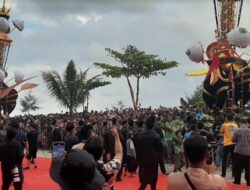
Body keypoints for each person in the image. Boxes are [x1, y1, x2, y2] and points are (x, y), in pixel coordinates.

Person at [84, 125, 123, 190]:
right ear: (103, 151)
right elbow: (119, 153)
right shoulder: (109, 167)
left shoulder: (80, 169)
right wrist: (116, 136)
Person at [136, 115, 163, 190]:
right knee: (153, 176)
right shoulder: (156, 136)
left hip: (143, 160)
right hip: (153, 160)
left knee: (144, 178)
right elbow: (161, 148)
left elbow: (138, 149)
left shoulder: (140, 135)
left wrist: (138, 160)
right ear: (153, 125)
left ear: (145, 125)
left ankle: (143, 187)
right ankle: (153, 188)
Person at [232, 118, 250, 186]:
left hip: (239, 152)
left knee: (238, 168)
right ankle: (249, 183)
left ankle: (237, 182)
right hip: (249, 152)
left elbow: (233, 140)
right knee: (248, 169)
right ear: (247, 124)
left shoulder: (237, 130)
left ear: (240, 124)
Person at [220, 113, 238, 177]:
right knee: (234, 159)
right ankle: (233, 174)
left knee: (224, 159)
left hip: (226, 144)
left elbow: (221, 132)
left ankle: (223, 174)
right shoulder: (236, 125)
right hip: (234, 143)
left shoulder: (224, 125)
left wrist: (225, 122)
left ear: (227, 118)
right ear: (232, 118)